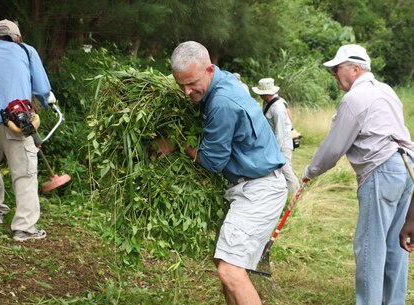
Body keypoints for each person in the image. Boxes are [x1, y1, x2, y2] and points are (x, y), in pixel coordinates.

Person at [156, 41, 288, 305]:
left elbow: (212, 162)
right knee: (225, 263)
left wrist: (177, 144)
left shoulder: (222, 103)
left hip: (259, 190)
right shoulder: (221, 82)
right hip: (249, 186)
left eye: (191, 83)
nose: (186, 92)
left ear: (209, 69)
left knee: (230, 271)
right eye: (180, 85)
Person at [302, 44, 414, 305]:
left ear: (355, 68)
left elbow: (334, 146)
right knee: (395, 245)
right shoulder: (386, 90)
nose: (334, 75)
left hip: (381, 170)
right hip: (406, 166)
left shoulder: (354, 98)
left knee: (370, 249)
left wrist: (310, 172)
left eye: (337, 69)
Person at [0, 19, 55, 241]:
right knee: (24, 171)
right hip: (16, 117)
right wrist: (48, 101)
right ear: (18, 38)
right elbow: (41, 86)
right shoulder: (26, 50)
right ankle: (24, 228)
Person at [252, 78, 299, 195]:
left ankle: (295, 194)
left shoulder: (277, 108)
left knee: (286, 170)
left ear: (267, 93)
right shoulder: (267, 103)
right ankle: (283, 195)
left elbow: (280, 132)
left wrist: (275, 151)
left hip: (282, 144)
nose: (260, 96)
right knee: (279, 171)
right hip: (274, 143)